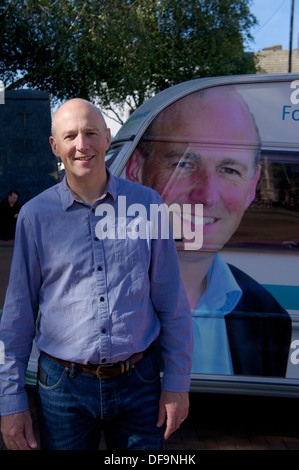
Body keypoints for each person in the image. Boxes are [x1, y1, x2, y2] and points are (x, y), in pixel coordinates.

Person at [0, 98, 193, 450]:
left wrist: (177, 381)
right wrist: (10, 400)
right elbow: (18, 316)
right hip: (63, 390)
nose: (81, 145)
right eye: (70, 135)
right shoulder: (34, 216)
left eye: (90, 133)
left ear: (107, 137)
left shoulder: (147, 205)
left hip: (140, 383)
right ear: (54, 146)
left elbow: (171, 302)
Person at [126, 86, 291, 377]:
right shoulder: (96, 296)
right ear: (135, 170)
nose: (207, 196)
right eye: (184, 164)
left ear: (252, 188)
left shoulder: (269, 315)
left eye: (229, 170)